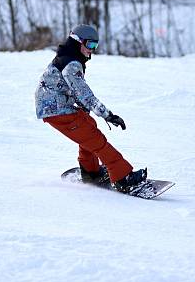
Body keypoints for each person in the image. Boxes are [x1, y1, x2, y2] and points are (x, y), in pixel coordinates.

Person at [35, 24, 148, 193]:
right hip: (56, 110)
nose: (92, 50)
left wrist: (86, 109)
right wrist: (108, 115)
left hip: (58, 107)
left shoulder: (69, 57)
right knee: (97, 141)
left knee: (88, 125)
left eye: (95, 46)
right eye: (89, 45)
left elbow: (72, 90)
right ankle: (122, 177)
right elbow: (84, 94)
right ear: (77, 42)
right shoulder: (71, 64)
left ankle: (91, 171)